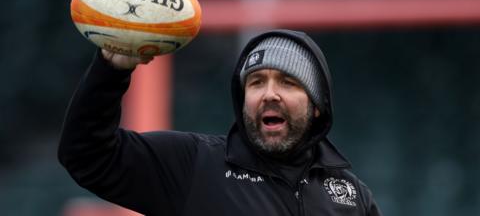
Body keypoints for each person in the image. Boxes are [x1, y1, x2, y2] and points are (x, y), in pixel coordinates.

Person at [58, 29, 382, 216]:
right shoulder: (196, 164)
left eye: (288, 82)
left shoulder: (351, 195)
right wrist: (110, 70)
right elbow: (88, 155)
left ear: (316, 106)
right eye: (256, 82)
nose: (269, 94)